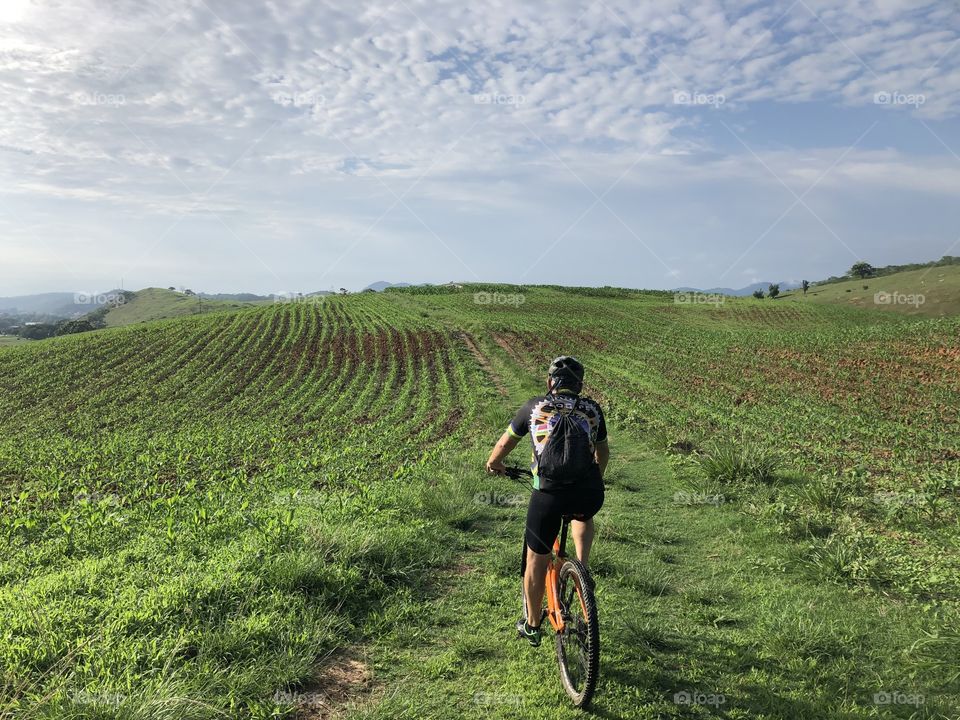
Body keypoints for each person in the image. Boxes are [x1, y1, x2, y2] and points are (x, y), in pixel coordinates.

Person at [485, 356, 609, 647]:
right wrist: (596, 480)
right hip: (588, 494)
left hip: (549, 495)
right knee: (582, 514)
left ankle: (532, 624)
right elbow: (603, 453)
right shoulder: (592, 409)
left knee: (535, 558)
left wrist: (494, 464)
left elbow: (505, 444)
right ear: (579, 385)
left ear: (550, 382)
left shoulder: (534, 406)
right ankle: (582, 571)